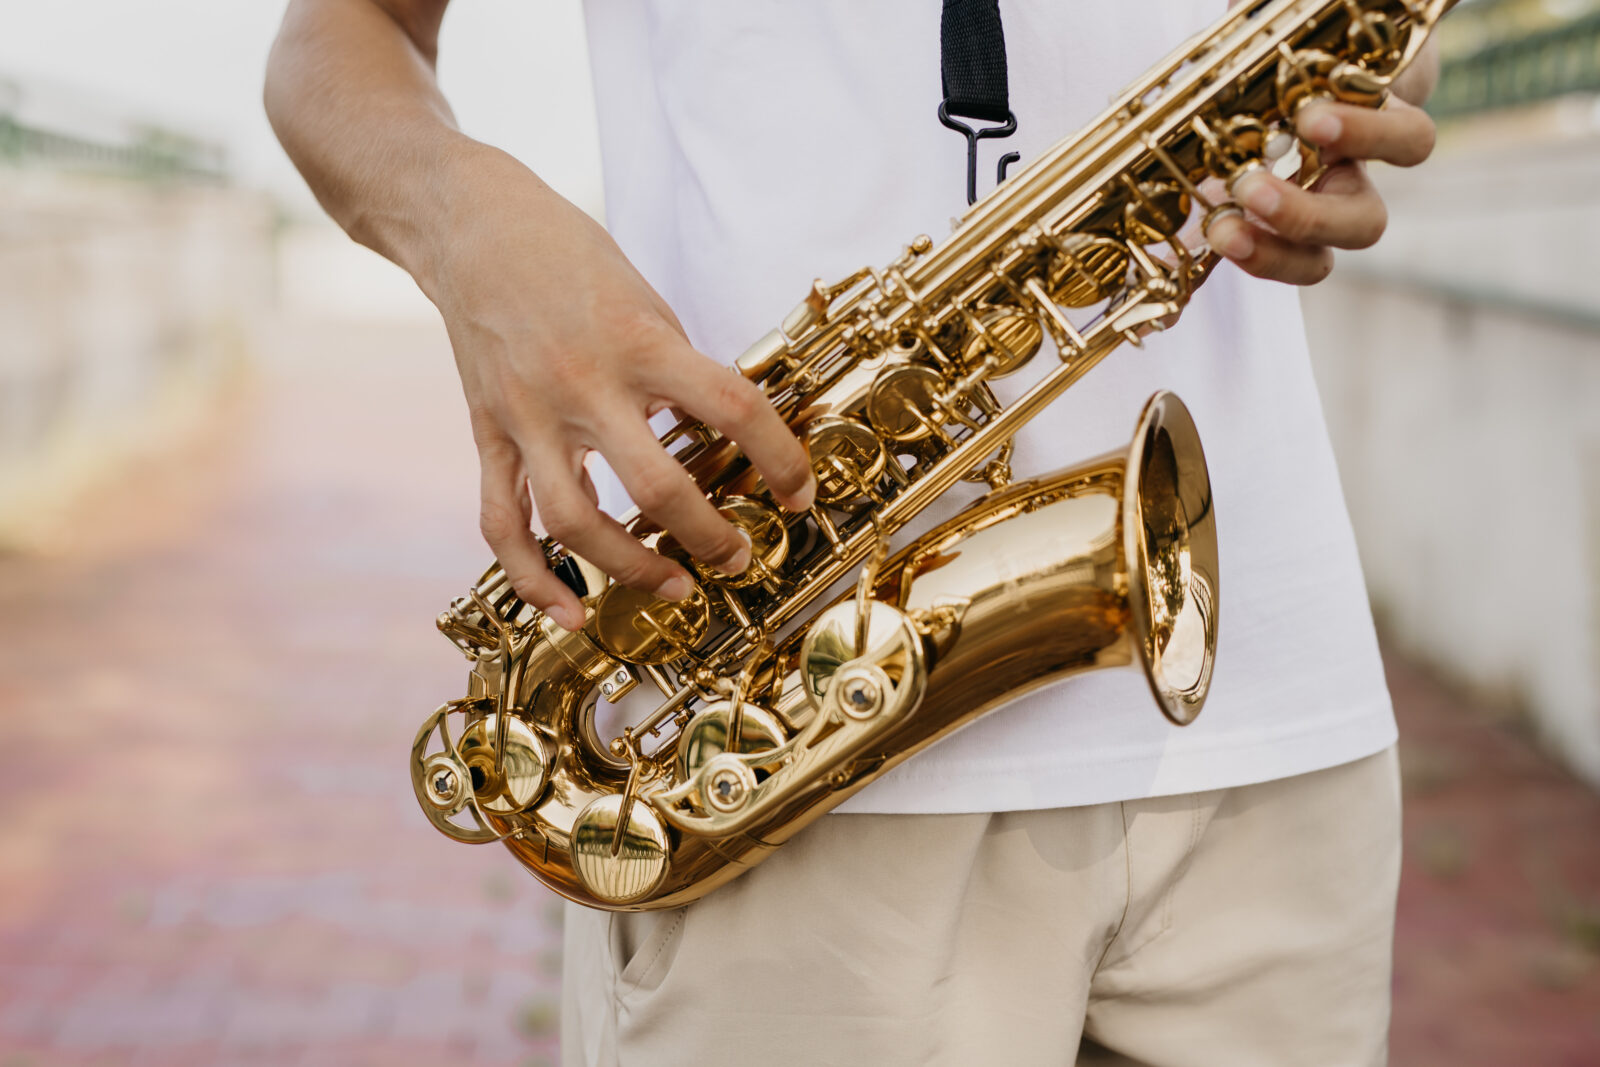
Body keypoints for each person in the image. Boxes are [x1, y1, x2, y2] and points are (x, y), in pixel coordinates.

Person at [266, 2, 1440, 1063]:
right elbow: (339, 35)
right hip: (773, 747)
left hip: (1280, 745)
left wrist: (1362, 81)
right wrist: (470, 232)